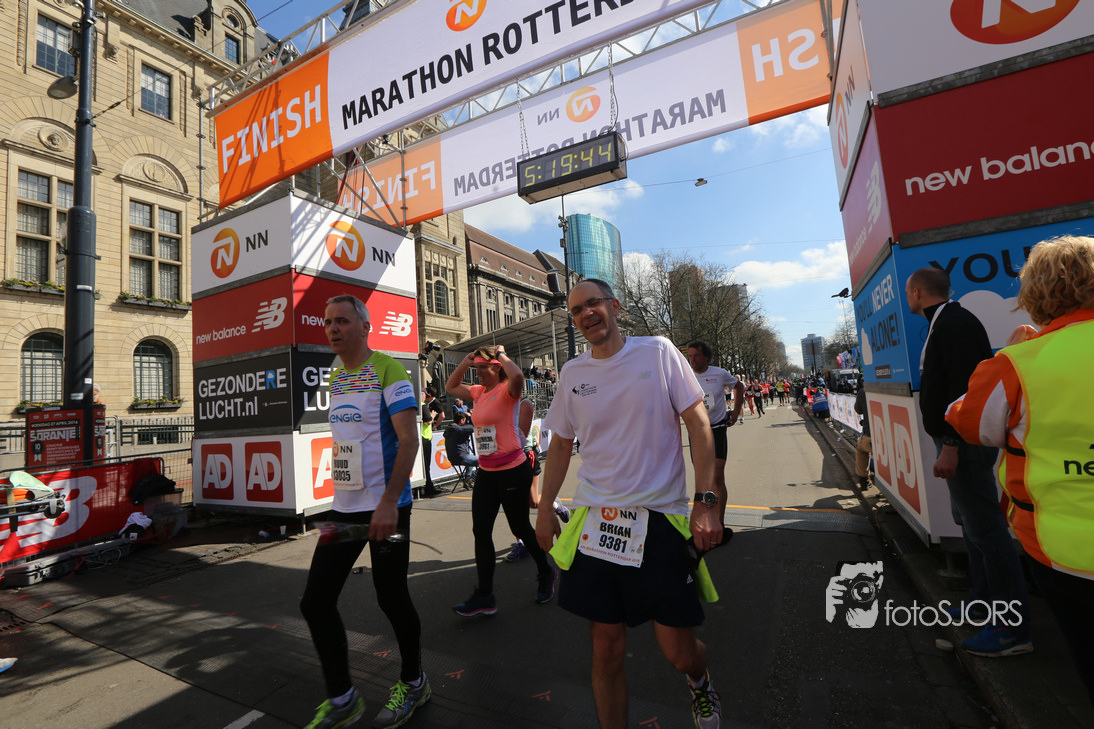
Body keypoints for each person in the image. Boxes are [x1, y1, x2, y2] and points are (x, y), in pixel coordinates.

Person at [535, 279, 723, 729]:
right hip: (596, 523)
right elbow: (560, 444)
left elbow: (699, 424)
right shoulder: (572, 373)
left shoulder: (657, 352)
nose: (585, 314)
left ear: (615, 306)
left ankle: (699, 681)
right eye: (576, 310)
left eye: (593, 303)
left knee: (680, 653)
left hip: (658, 519)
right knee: (605, 648)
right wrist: (544, 507)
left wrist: (706, 501)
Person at [947, 235, 1094, 698]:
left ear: (1035, 294)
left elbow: (968, 421)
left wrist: (1007, 356)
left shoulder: (1017, 363)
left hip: (1068, 553)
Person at [299, 295, 429, 729]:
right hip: (345, 509)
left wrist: (390, 501)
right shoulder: (337, 375)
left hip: (387, 508)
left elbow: (408, 440)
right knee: (315, 602)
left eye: (341, 320)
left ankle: (414, 682)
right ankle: (343, 699)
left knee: (391, 598)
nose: (332, 329)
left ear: (364, 326)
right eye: (327, 322)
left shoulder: (388, 369)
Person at [906, 266, 1031, 656]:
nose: (908, 298)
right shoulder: (946, 322)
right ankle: (984, 603)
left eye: (908, 292)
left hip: (963, 444)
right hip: (960, 442)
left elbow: (965, 389)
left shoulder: (954, 323)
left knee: (987, 531)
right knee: (972, 526)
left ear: (917, 292)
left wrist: (951, 444)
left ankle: (1012, 629)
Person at [445, 344, 556, 616]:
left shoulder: (508, 391)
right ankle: (485, 595)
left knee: (520, 527)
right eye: (477, 368)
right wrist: (467, 361)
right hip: (487, 472)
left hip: (513, 470)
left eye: (483, 367)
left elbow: (517, 376)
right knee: (481, 531)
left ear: (496, 367)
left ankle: (546, 571)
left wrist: (501, 353)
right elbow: (451, 386)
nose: (478, 372)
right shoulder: (478, 392)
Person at [687, 340, 744, 523]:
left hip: (718, 428)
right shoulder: (685, 375)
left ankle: (720, 521)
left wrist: (736, 411)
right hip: (697, 432)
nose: (693, 360)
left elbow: (739, 386)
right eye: (690, 356)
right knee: (702, 479)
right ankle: (705, 521)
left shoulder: (719, 373)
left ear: (707, 357)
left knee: (718, 476)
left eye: (696, 355)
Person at [420, 388, 443, 497]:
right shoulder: (422, 406)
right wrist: (433, 415)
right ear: (422, 394)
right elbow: (428, 421)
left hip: (421, 437)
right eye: (425, 395)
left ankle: (427, 486)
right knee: (426, 465)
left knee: (424, 465)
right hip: (425, 438)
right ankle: (428, 488)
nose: (426, 397)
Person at [853, 378, 872, 489]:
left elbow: (858, 410)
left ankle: (864, 481)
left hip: (869, 435)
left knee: (861, 449)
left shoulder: (863, 391)